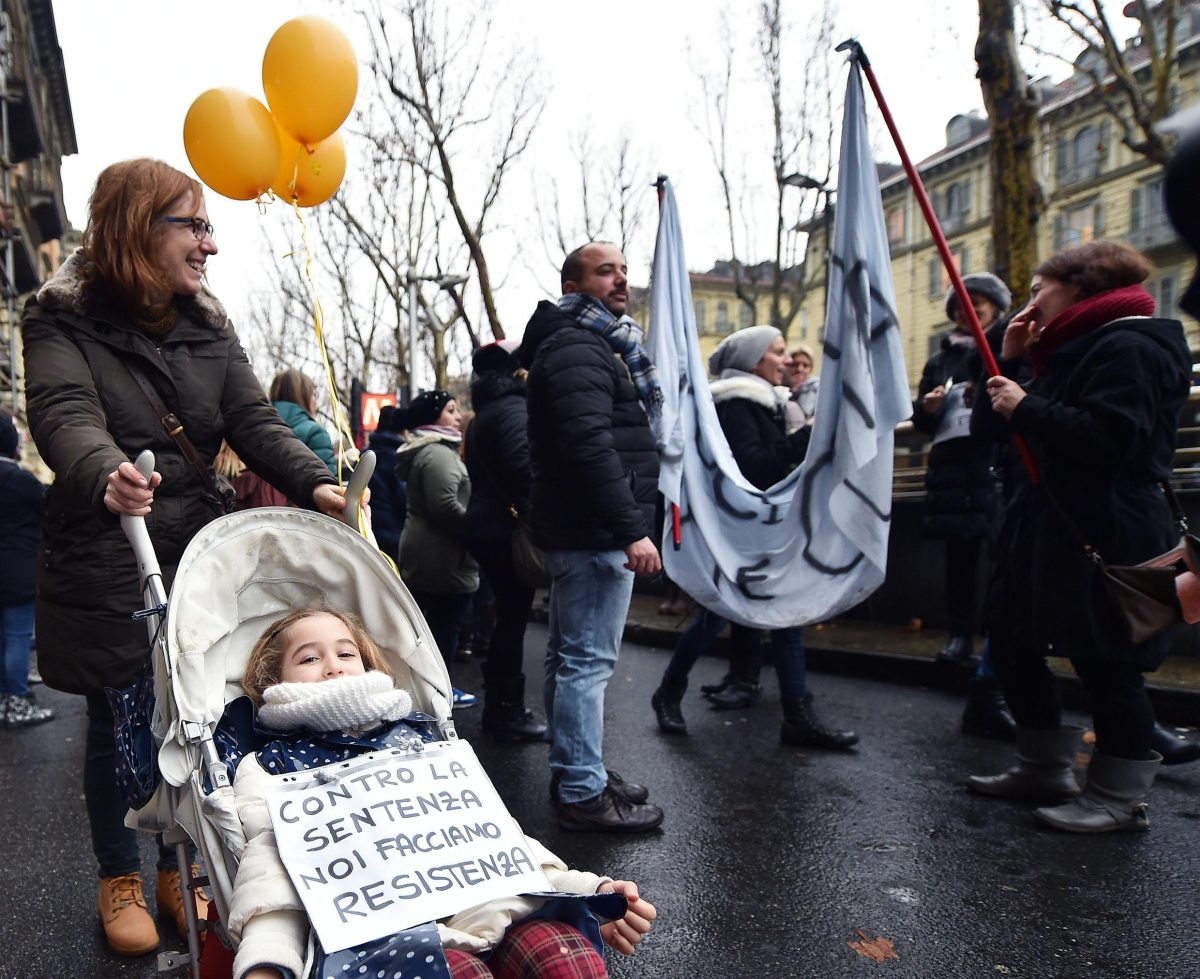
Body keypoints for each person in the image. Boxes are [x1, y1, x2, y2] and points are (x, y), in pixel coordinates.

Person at [21, 158, 347, 956]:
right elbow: (63, 410)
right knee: (118, 719)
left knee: (194, 714)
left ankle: (180, 868)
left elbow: (251, 418)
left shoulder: (208, 320)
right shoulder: (59, 317)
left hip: (197, 551)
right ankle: (119, 873)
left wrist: (315, 480)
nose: (211, 244)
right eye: (194, 225)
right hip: (111, 548)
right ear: (141, 228)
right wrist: (106, 474)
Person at [230, 608, 656, 979]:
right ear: (273, 678)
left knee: (560, 956)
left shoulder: (422, 740)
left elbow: (491, 838)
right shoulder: (273, 765)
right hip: (376, 936)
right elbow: (272, 871)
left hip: (487, 905)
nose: (333, 666)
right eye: (308, 657)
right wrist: (268, 960)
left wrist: (582, 892)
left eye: (346, 653)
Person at [967, 240, 1191, 833]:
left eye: (1040, 288)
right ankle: (1043, 767)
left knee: (1106, 661)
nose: (1031, 301)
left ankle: (1119, 798)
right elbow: (993, 431)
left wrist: (1028, 406)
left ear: (1080, 287)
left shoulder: (1133, 345)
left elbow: (1115, 439)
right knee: (1013, 640)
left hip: (1106, 527)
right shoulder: (1061, 351)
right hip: (1046, 522)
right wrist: (1009, 361)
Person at [650, 325, 858, 751]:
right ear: (753, 361)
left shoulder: (763, 403)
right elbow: (757, 467)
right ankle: (669, 692)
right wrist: (808, 438)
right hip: (743, 536)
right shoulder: (740, 405)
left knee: (788, 620)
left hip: (761, 532)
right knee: (717, 615)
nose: (786, 360)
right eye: (777, 352)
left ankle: (797, 716)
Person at [518, 241, 663, 833]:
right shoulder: (581, 346)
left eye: (624, 270)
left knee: (568, 657)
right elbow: (590, 445)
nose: (621, 279)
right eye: (606, 271)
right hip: (595, 530)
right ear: (574, 289)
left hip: (582, 528)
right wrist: (632, 528)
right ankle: (581, 790)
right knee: (586, 662)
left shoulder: (586, 343)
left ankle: (579, 769)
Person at [912, 273, 1010, 672]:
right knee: (960, 558)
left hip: (996, 461)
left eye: (979, 302)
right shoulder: (940, 359)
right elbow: (920, 418)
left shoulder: (1008, 346)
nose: (970, 309)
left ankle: (1000, 636)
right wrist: (929, 408)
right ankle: (960, 633)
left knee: (1004, 555)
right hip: (955, 470)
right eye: (962, 303)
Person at [463, 339, 547, 742]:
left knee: (506, 619)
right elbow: (522, 467)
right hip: (504, 527)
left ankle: (501, 703)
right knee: (512, 619)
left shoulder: (485, 412)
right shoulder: (513, 408)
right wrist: (539, 513)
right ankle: (505, 711)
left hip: (487, 524)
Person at [395, 389, 480, 709]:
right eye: (450, 410)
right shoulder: (438, 454)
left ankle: (428, 688)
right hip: (442, 555)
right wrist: (475, 529)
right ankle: (439, 691)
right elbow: (444, 505)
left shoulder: (429, 451)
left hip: (430, 551)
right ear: (433, 418)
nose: (458, 417)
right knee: (445, 626)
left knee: (430, 625)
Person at [0, 411, 53, 728]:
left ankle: (6, 694)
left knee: (4, 638)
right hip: (17, 570)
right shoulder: (19, 480)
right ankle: (17, 700)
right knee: (17, 637)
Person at [269, 369, 337, 477]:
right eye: (314, 394)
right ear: (303, 397)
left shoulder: (255, 427)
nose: (315, 401)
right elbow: (328, 484)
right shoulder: (315, 433)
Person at [365, 404, 408, 563]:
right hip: (394, 534)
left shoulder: (366, 453)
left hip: (368, 530)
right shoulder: (398, 457)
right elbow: (403, 498)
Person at [786, 341, 820, 430]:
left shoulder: (818, 391)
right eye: (795, 365)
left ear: (811, 369)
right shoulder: (779, 390)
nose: (799, 369)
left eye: (805, 365)